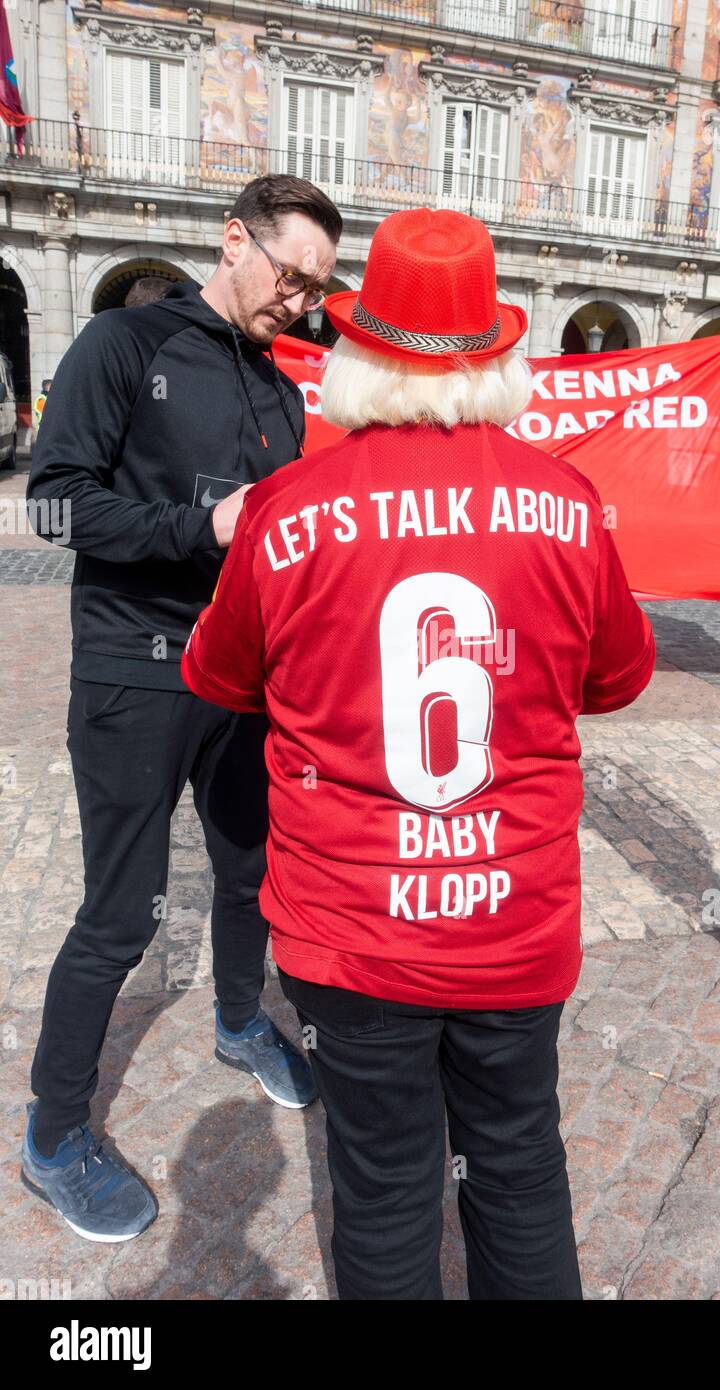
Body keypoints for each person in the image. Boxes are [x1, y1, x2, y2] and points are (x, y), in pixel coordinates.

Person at [181, 207, 656, 1299]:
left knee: (387, 1186)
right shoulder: (568, 506)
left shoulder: (289, 507)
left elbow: (215, 673)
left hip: (353, 930)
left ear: (358, 351)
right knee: (520, 1165)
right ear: (494, 354)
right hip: (512, 917)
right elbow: (620, 679)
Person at [20, 174, 342, 1243]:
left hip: (243, 678)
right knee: (122, 914)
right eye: (288, 274)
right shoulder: (126, 343)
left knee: (255, 871)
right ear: (232, 239)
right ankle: (53, 1135)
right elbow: (55, 501)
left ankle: (243, 1021)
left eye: (315, 287)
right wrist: (201, 529)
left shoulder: (286, 387)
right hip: (133, 668)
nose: (297, 299)